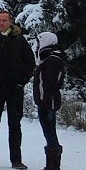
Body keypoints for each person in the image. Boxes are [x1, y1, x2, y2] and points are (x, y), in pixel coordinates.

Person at [0, 9, 36, 169]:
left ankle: (16, 160)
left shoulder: (19, 40)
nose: (1, 23)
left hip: (14, 88)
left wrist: (21, 82)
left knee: (15, 124)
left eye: (4, 20)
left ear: (10, 21)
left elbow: (30, 63)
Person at [33, 31, 65, 170]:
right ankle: (51, 164)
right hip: (45, 101)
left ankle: (53, 166)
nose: (37, 46)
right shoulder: (48, 59)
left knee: (50, 133)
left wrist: (46, 101)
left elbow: (50, 83)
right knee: (49, 132)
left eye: (39, 42)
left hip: (48, 102)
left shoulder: (51, 60)